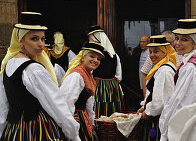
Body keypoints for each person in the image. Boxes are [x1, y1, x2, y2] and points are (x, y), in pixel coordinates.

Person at [0, 12, 80, 141]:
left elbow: (2, 107)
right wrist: (74, 135)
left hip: (14, 130)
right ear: (21, 41)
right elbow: (56, 105)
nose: (41, 44)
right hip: (35, 130)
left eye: (43, 39)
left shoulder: (8, 64)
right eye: (34, 38)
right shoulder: (33, 69)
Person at [159, 19, 196, 141]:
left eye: (184, 39)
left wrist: (169, 127)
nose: (177, 43)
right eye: (177, 38)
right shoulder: (191, 62)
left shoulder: (191, 68)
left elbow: (184, 104)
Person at [60, 42, 105, 141]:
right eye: (92, 56)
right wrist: (70, 118)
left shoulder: (87, 75)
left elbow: (89, 103)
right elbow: (66, 100)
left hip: (83, 118)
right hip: (75, 121)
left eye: (99, 59)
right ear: (82, 57)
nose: (95, 60)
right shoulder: (77, 75)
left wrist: (92, 122)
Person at [137, 35, 177, 141]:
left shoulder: (164, 70)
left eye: (156, 51)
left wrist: (147, 112)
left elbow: (160, 102)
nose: (152, 55)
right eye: (150, 52)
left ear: (164, 52)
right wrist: (144, 106)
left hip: (159, 120)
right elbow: (154, 94)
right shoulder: (161, 67)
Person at [87, 25, 124, 118]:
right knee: (113, 112)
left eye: (90, 39)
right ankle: (112, 130)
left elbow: (89, 74)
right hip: (113, 87)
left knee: (98, 111)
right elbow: (119, 77)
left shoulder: (92, 57)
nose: (89, 41)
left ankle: (100, 129)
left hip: (97, 86)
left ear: (96, 39)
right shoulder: (114, 55)